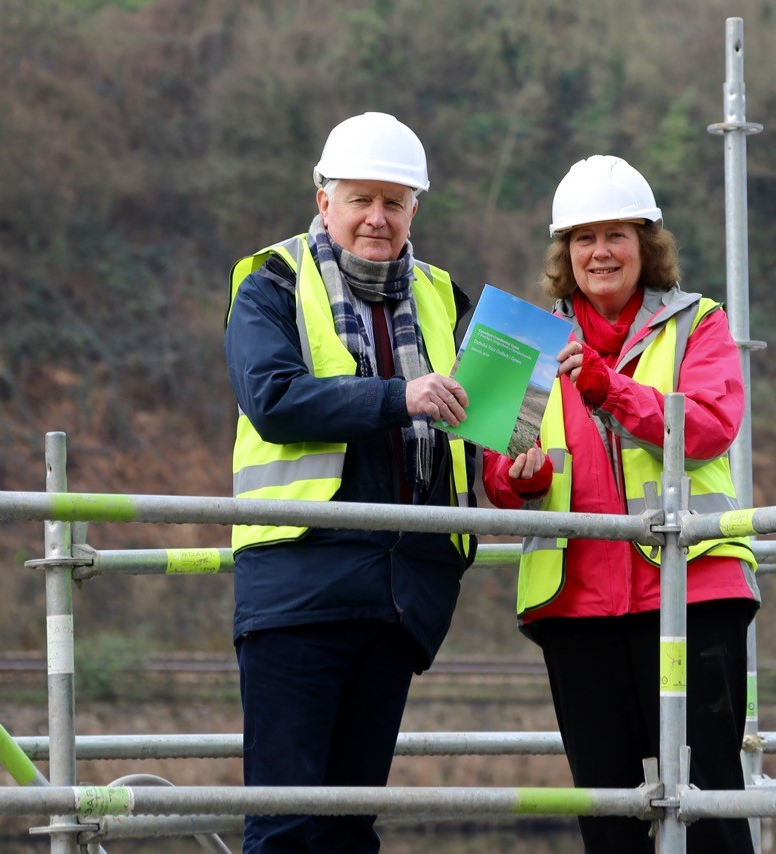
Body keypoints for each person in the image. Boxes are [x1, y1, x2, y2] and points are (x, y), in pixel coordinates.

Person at [482, 155, 760, 853]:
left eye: (616, 235)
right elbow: (494, 474)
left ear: (648, 246)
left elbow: (706, 429)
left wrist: (611, 389)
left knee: (710, 806)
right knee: (607, 813)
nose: (599, 252)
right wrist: (523, 476)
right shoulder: (521, 342)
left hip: (692, 591)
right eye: (583, 238)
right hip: (576, 605)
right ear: (564, 254)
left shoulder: (700, 324)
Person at [224, 111, 476, 852]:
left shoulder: (442, 294)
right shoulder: (270, 282)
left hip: (400, 597)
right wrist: (400, 395)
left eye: (394, 202)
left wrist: (519, 464)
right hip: (299, 587)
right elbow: (272, 399)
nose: (377, 217)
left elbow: (475, 428)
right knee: (285, 825)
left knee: (348, 827)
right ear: (323, 197)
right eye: (361, 198)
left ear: (414, 211)